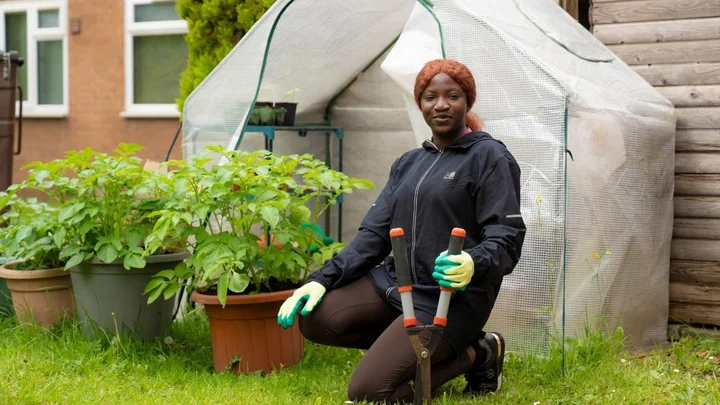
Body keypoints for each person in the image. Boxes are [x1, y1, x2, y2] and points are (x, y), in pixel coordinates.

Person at [277, 59, 526, 403]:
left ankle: (477, 353)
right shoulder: (409, 163)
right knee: (316, 319)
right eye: (429, 97)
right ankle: (411, 346)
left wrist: (473, 261)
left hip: (449, 297)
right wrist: (322, 279)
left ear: (467, 100)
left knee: (369, 392)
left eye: (452, 95)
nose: (440, 104)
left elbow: (507, 236)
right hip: (396, 286)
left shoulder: (489, 157)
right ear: (420, 104)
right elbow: (372, 236)